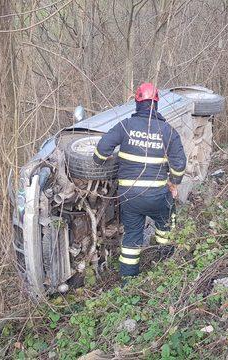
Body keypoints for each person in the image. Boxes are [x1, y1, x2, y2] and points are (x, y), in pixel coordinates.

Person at [93, 83, 187, 281]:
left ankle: (129, 280)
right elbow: (179, 163)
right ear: (156, 104)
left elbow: (101, 150)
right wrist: (174, 182)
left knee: (132, 237)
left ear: (137, 103)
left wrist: (99, 161)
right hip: (158, 196)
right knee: (166, 226)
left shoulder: (125, 126)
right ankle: (167, 265)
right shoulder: (167, 131)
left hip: (130, 197)